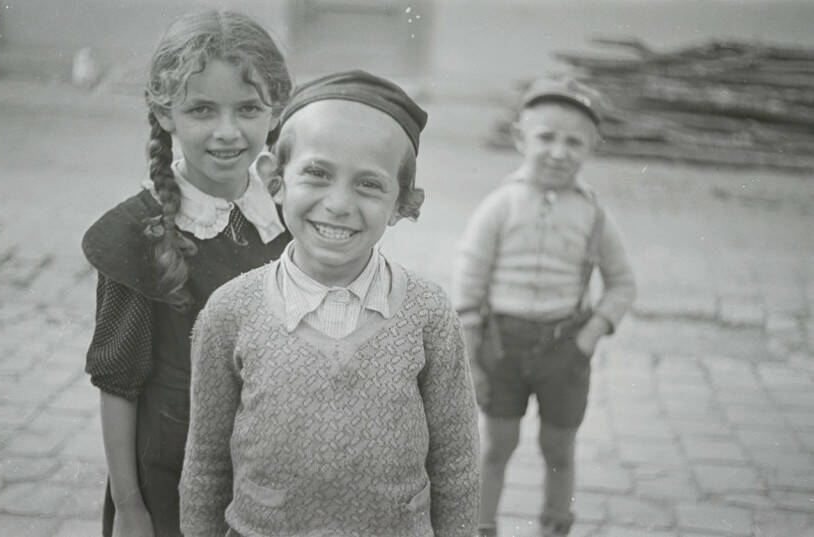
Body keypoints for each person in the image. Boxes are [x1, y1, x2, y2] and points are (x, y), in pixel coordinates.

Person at [180, 70, 480, 537]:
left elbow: (456, 463)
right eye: (317, 174)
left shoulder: (428, 313)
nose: (338, 204)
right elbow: (205, 463)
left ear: (403, 204)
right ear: (274, 180)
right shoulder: (231, 311)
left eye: (369, 185)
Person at [81, 10, 292, 537]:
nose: (227, 132)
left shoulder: (289, 217)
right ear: (165, 112)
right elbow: (118, 384)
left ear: (276, 109)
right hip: (169, 478)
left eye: (248, 109)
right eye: (202, 109)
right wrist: (130, 507)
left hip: (272, 471)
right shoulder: (138, 232)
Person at [452, 77, 636, 537]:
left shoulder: (593, 214)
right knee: (496, 446)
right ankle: (482, 526)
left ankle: (554, 526)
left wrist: (591, 335)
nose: (559, 151)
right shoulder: (500, 206)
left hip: (564, 348)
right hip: (502, 345)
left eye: (574, 141)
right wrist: (472, 357)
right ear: (520, 139)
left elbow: (622, 284)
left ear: (593, 146)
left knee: (559, 448)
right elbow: (469, 284)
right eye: (546, 137)